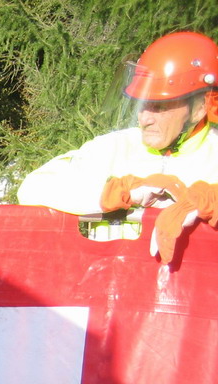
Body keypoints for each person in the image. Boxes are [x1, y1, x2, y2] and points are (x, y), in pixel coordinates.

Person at [17, 31, 218, 262]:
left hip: (184, 285)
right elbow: (32, 188)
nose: (144, 119)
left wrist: (210, 200)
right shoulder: (114, 147)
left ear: (200, 108)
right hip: (108, 280)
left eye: (159, 107)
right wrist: (116, 192)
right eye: (141, 104)